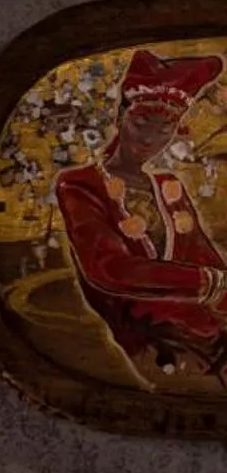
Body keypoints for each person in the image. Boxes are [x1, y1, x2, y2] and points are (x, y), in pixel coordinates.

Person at [53, 48, 227, 376]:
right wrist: (209, 282)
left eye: (166, 127)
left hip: (207, 331)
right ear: (121, 117)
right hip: (155, 340)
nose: (150, 137)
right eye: (142, 121)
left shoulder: (166, 185)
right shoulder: (79, 184)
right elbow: (109, 268)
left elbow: (204, 257)